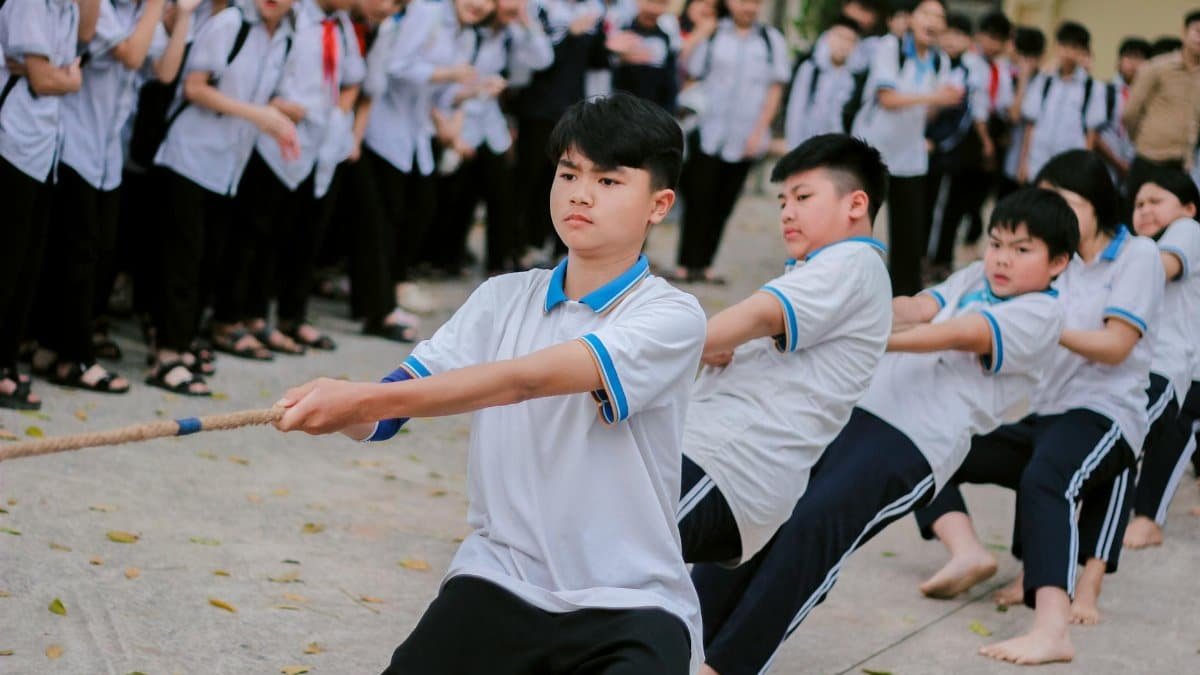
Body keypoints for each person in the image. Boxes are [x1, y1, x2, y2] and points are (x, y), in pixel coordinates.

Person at [275, 93, 705, 674]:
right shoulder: (502, 298)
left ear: (659, 205)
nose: (580, 193)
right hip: (500, 577)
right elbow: (388, 411)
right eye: (569, 173)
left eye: (608, 181)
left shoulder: (671, 316)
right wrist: (333, 407)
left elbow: (526, 380)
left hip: (629, 602)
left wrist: (362, 395)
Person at [689, 187, 1075, 675]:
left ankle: (726, 664)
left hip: (913, 445)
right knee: (766, 507)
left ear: (1058, 262)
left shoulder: (1043, 313)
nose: (1001, 259)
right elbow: (916, 308)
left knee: (812, 534)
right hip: (857, 412)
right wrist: (850, 305)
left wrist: (855, 327)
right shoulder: (975, 276)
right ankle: (687, 638)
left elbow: (954, 334)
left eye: (1023, 251)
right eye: (996, 243)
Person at [915, 150, 1164, 665]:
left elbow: (1117, 344)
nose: (1058, 214)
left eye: (1069, 203)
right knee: (931, 450)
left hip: (1105, 412)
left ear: (1098, 204)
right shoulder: (1042, 258)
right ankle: (966, 551)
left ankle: (1052, 628)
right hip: (1046, 412)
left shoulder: (1135, 256)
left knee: (1046, 479)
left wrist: (1039, 327)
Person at [678, 134, 893, 566]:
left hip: (726, 463)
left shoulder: (852, 263)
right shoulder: (828, 269)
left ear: (855, 204)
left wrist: (660, 351)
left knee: (598, 562)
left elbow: (759, 315)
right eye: (781, 201)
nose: (787, 212)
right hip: (717, 458)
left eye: (803, 196)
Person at [149, 0, 300, 394]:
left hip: (228, 166)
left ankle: (184, 344)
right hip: (190, 155)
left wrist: (281, 114)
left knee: (208, 260)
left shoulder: (286, 35)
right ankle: (167, 355)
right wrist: (258, 114)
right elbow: (193, 87)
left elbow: (266, 94)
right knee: (182, 260)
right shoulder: (230, 22)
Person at [232, 0, 366, 357]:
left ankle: (292, 316)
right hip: (274, 139)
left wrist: (338, 113)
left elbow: (354, 79)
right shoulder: (292, 15)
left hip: (318, 143)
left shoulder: (340, 26)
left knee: (303, 235)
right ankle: (247, 317)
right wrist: (282, 105)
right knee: (258, 234)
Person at [0, 0, 88, 410]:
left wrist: (61, 75)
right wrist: (65, 79)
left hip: (42, 148)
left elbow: (77, 54)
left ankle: (6, 364)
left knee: (25, 268)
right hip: (12, 143)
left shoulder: (67, 7)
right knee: (6, 264)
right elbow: (43, 79)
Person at [674, 0, 790, 285]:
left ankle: (707, 264)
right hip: (708, 132)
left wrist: (759, 132)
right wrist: (702, 30)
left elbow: (775, 90)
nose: (748, 7)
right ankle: (686, 264)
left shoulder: (770, 41)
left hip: (746, 136)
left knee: (724, 201)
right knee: (698, 198)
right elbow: (687, 66)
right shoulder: (715, 34)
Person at [851, 0, 960, 296]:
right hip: (872, 151)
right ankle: (848, 284)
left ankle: (905, 295)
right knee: (859, 222)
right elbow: (887, 98)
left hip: (911, 155)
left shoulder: (941, 61)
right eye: (927, 14)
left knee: (909, 233)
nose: (933, 21)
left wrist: (941, 101)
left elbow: (931, 110)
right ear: (911, 18)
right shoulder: (889, 48)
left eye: (939, 17)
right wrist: (935, 97)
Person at [1124, 168, 1200, 549]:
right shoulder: (1143, 246)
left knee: (1176, 426)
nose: (1145, 210)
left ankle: (1148, 516)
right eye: (1138, 204)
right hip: (1168, 365)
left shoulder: (1186, 231)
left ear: (1188, 207)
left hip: (1190, 368)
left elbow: (1165, 268)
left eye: (1156, 201)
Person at [924, 11, 989, 279]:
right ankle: (921, 257)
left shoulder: (973, 70)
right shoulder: (930, 64)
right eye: (948, 33)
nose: (952, 40)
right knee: (927, 205)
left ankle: (943, 260)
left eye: (959, 35)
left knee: (952, 208)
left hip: (960, 150)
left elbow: (978, 110)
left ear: (968, 40)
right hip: (928, 147)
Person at [1121, 10, 1200, 218]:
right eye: (1198, 31)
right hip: (1148, 159)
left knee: (1173, 226)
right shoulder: (1157, 67)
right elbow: (1130, 112)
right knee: (1136, 222)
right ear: (1184, 32)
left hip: (1181, 165)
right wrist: (1142, 140)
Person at [1017, 22, 1107, 184]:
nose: (1068, 53)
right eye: (1064, 45)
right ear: (1056, 46)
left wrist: (1084, 170)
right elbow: (1031, 125)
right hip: (1038, 162)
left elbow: (1091, 134)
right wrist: (1023, 163)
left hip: (1069, 168)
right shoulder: (1044, 81)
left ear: (1082, 51)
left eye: (1074, 47)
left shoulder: (1093, 88)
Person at [782, 16, 859, 149]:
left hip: (835, 152)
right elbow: (795, 110)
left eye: (849, 40)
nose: (843, 44)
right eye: (839, 36)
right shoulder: (811, 69)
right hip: (804, 146)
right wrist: (793, 148)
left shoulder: (853, 79)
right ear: (828, 37)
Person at [607, 0, 682, 113]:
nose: (654, 9)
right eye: (650, 2)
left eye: (661, 4)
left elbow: (669, 78)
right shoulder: (621, 30)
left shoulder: (666, 38)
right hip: (622, 108)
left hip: (654, 110)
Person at [1096, 37, 1150, 189]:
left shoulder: (1151, 98)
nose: (1133, 64)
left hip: (1138, 170)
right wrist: (1118, 163)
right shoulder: (1104, 91)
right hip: (1106, 167)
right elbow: (1094, 133)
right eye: (1129, 57)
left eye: (1140, 58)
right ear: (1119, 61)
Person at [999, 26, 1046, 194]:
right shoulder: (1007, 76)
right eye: (1024, 56)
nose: (1027, 62)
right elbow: (1014, 116)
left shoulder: (1045, 82)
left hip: (1033, 161)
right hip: (1008, 158)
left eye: (1032, 57)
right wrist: (1022, 81)